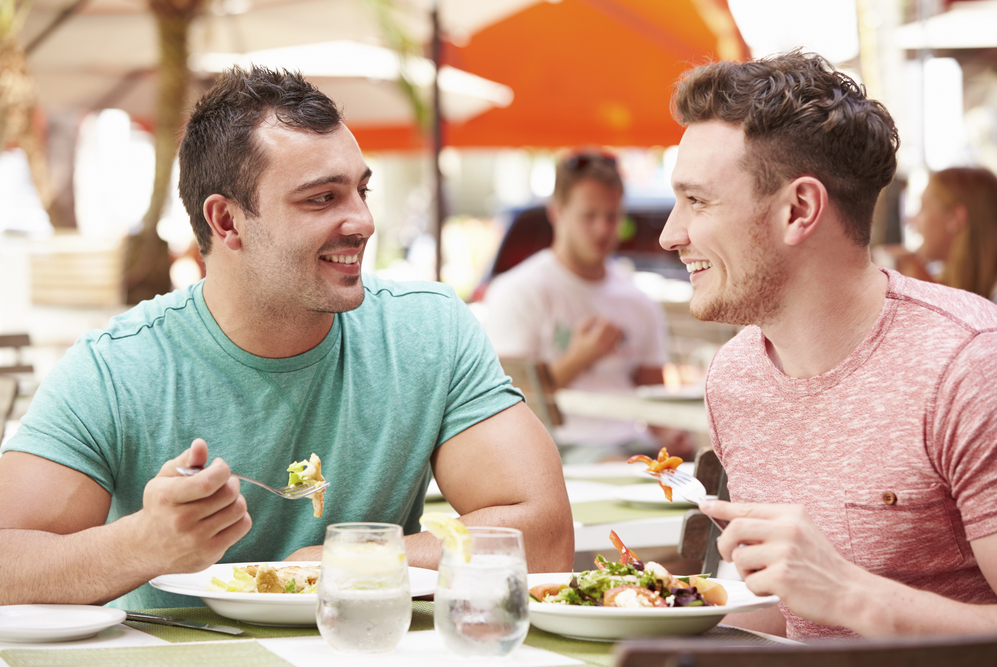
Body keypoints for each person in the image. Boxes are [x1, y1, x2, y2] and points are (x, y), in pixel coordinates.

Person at [0, 66, 574, 610]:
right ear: (226, 222)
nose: (363, 222)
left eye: (361, 191)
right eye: (322, 198)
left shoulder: (428, 332)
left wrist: (342, 563)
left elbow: (543, 540)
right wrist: (142, 545)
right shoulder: (117, 368)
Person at [660, 50, 997, 640]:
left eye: (697, 200)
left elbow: (836, 601)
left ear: (799, 209)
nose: (670, 233)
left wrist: (851, 595)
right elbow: (803, 619)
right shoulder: (735, 375)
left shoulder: (970, 366)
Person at [483, 151, 691, 461]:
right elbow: (507, 402)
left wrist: (671, 433)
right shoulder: (518, 290)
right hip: (557, 448)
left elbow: (653, 397)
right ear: (558, 213)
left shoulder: (637, 299)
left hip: (633, 443)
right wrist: (580, 355)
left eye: (612, 216)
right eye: (589, 216)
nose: (603, 229)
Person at [885, 167, 997, 305]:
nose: (910, 219)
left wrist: (926, 291)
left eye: (923, 207)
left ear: (955, 217)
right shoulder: (946, 278)